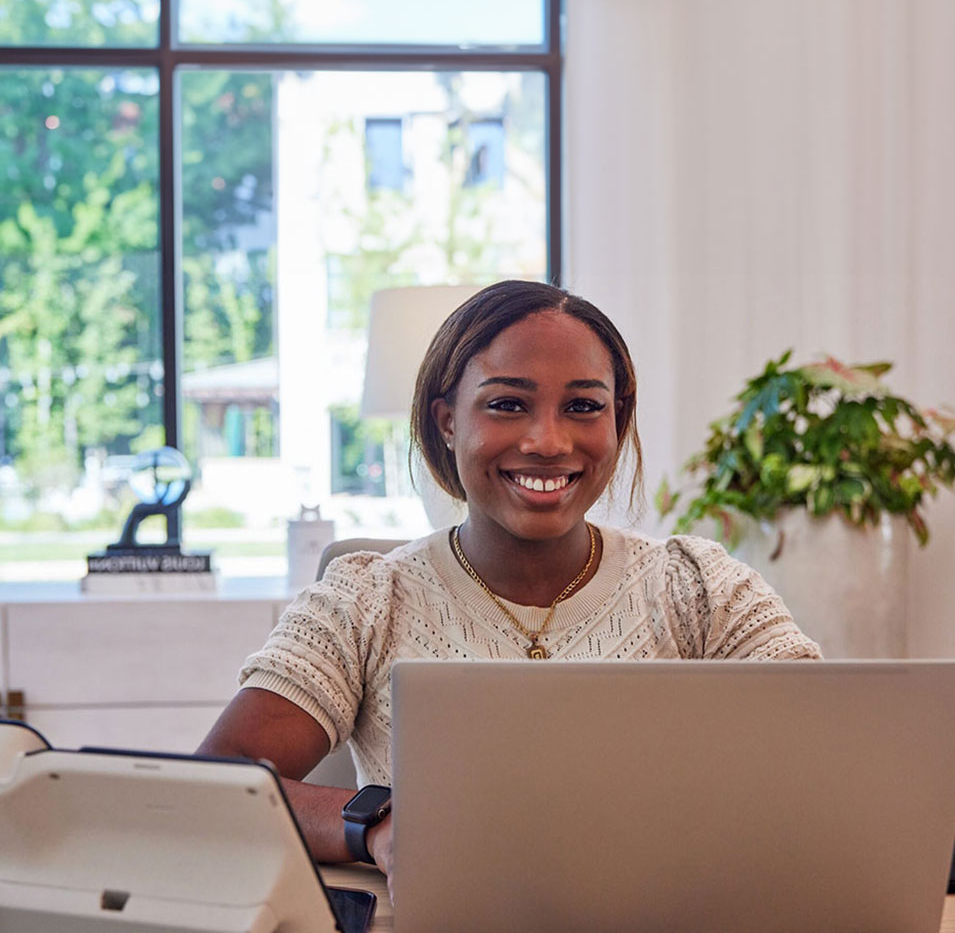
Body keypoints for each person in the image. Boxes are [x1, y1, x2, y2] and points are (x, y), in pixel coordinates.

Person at [197, 279, 820, 890]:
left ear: (618, 421)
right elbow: (218, 785)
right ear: (446, 421)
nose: (548, 442)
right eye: (506, 404)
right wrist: (378, 825)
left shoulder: (702, 589)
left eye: (583, 406)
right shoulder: (364, 600)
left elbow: (833, 761)